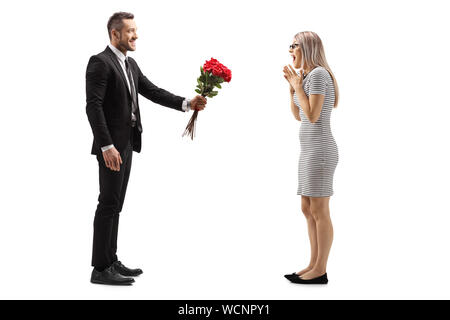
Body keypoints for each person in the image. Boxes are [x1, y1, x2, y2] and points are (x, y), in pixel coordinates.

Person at [86, 12, 207, 285]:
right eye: (130, 31)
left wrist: (188, 102)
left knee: (116, 204)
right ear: (114, 34)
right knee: (107, 203)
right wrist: (106, 145)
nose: (136, 35)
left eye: (135, 30)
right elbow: (92, 107)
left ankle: (111, 260)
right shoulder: (100, 63)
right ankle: (100, 268)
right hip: (112, 147)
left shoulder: (130, 65)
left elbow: (152, 91)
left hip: (128, 143)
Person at [282, 31, 339, 284]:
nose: (290, 50)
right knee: (307, 208)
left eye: (294, 45)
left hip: (321, 151)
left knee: (319, 210)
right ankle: (313, 263)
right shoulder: (306, 76)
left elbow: (314, 115)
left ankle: (321, 269)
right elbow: (298, 115)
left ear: (306, 47)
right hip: (308, 151)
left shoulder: (318, 75)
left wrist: (297, 86)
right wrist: (292, 87)